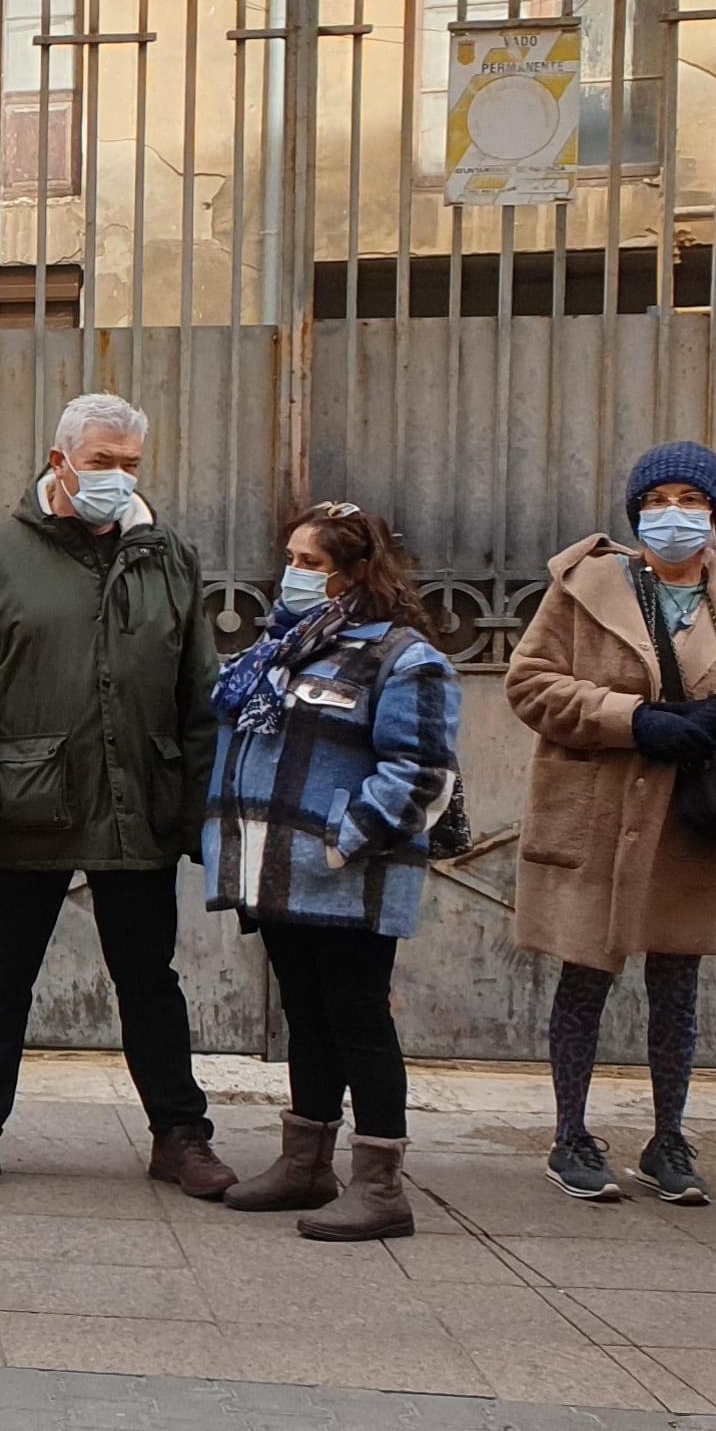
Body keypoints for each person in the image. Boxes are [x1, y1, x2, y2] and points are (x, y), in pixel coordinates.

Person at [0, 393, 220, 1197]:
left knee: (149, 976)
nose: (118, 479)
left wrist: (197, 814)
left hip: (136, 803)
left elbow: (200, 693)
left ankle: (180, 1134)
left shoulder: (168, 558)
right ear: (59, 462)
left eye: (130, 466)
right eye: (101, 464)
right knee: (1, 974)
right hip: (29, 803)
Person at [505, 442, 716, 1206]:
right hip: (599, 812)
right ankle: (571, 1134)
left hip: (691, 820)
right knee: (586, 974)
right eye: (658, 499)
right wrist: (630, 719)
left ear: (715, 512)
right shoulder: (583, 584)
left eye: (691, 499)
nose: (674, 513)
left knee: (678, 982)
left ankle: (669, 1138)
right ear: (635, 510)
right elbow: (530, 682)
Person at [201, 503, 464, 1243]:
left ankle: (380, 1185)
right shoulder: (281, 650)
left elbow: (422, 776)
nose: (294, 573)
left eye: (311, 563)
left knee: (359, 1020)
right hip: (280, 877)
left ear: (354, 573)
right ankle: (305, 1163)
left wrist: (342, 841)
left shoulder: (403, 658)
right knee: (306, 1016)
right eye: (291, 557)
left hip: (347, 878)